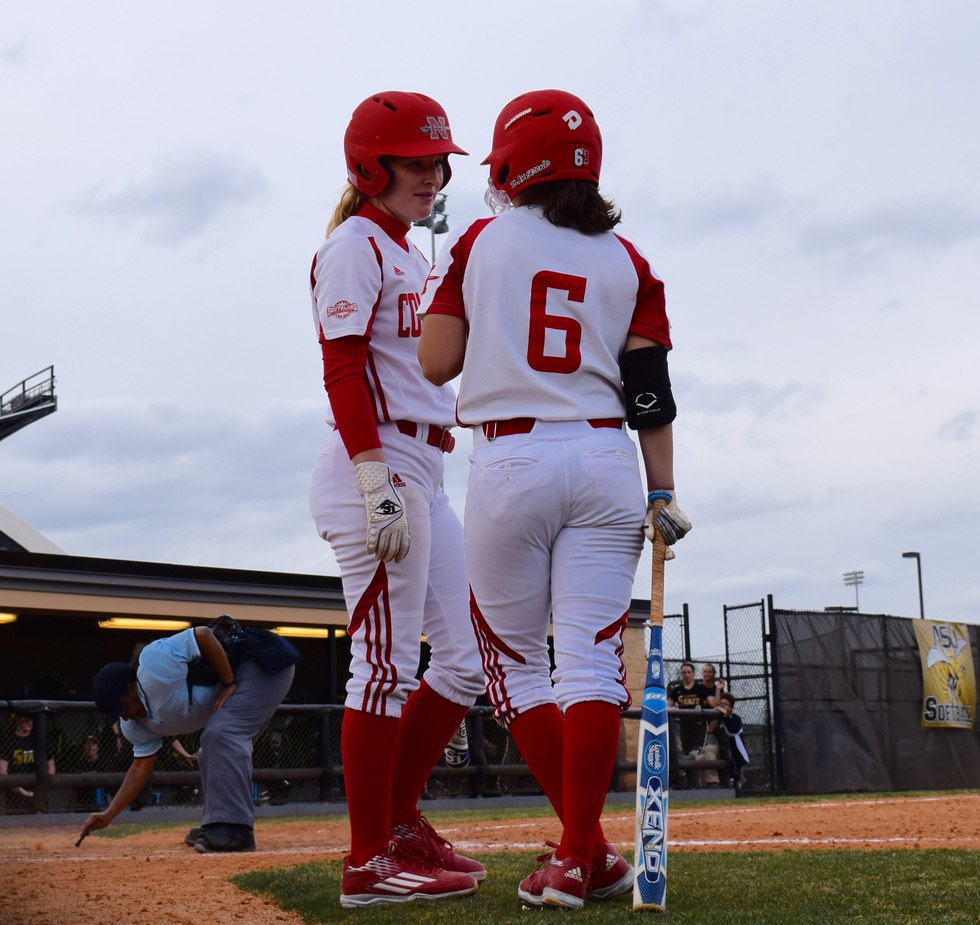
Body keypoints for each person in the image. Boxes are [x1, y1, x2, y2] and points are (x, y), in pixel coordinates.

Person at [417, 88, 692, 909]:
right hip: (608, 459)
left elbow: (435, 361)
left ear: (510, 164)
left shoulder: (480, 239)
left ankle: (581, 850)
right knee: (591, 663)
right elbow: (650, 390)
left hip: (512, 456)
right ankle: (585, 856)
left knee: (512, 667)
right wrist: (664, 490)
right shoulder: (629, 259)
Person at [307, 90, 486, 907]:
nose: (434, 177)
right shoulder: (353, 244)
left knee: (463, 662)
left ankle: (399, 822)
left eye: (439, 164)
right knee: (380, 666)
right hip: (377, 463)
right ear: (370, 166)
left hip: (427, 465)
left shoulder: (408, 251)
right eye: (416, 163)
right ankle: (367, 859)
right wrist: (374, 477)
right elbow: (342, 367)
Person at [81, 621, 299, 852]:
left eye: (123, 707)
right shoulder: (135, 725)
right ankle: (219, 823)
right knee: (210, 750)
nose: (124, 717)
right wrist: (110, 814)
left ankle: (236, 830)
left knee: (221, 734)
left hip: (262, 661)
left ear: (132, 688)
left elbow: (203, 634)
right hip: (243, 674)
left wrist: (228, 683)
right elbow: (139, 768)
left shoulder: (152, 666)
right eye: (118, 714)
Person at [0, 711, 56, 813]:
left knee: (42, 816)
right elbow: (3, 771)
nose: (30, 723)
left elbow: (51, 765)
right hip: (15, 792)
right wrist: (21, 791)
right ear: (18, 721)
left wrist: (42, 788)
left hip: (37, 789)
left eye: (32, 720)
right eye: (26, 720)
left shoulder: (38, 738)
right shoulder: (7, 739)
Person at [667, 661, 712, 781]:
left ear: (693, 674)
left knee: (696, 753)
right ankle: (690, 781)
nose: (686, 675)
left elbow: (712, 703)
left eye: (689, 672)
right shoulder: (677, 690)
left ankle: (699, 781)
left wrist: (718, 690)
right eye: (684, 673)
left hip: (699, 726)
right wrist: (673, 708)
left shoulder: (700, 689)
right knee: (686, 754)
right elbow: (668, 705)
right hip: (684, 726)